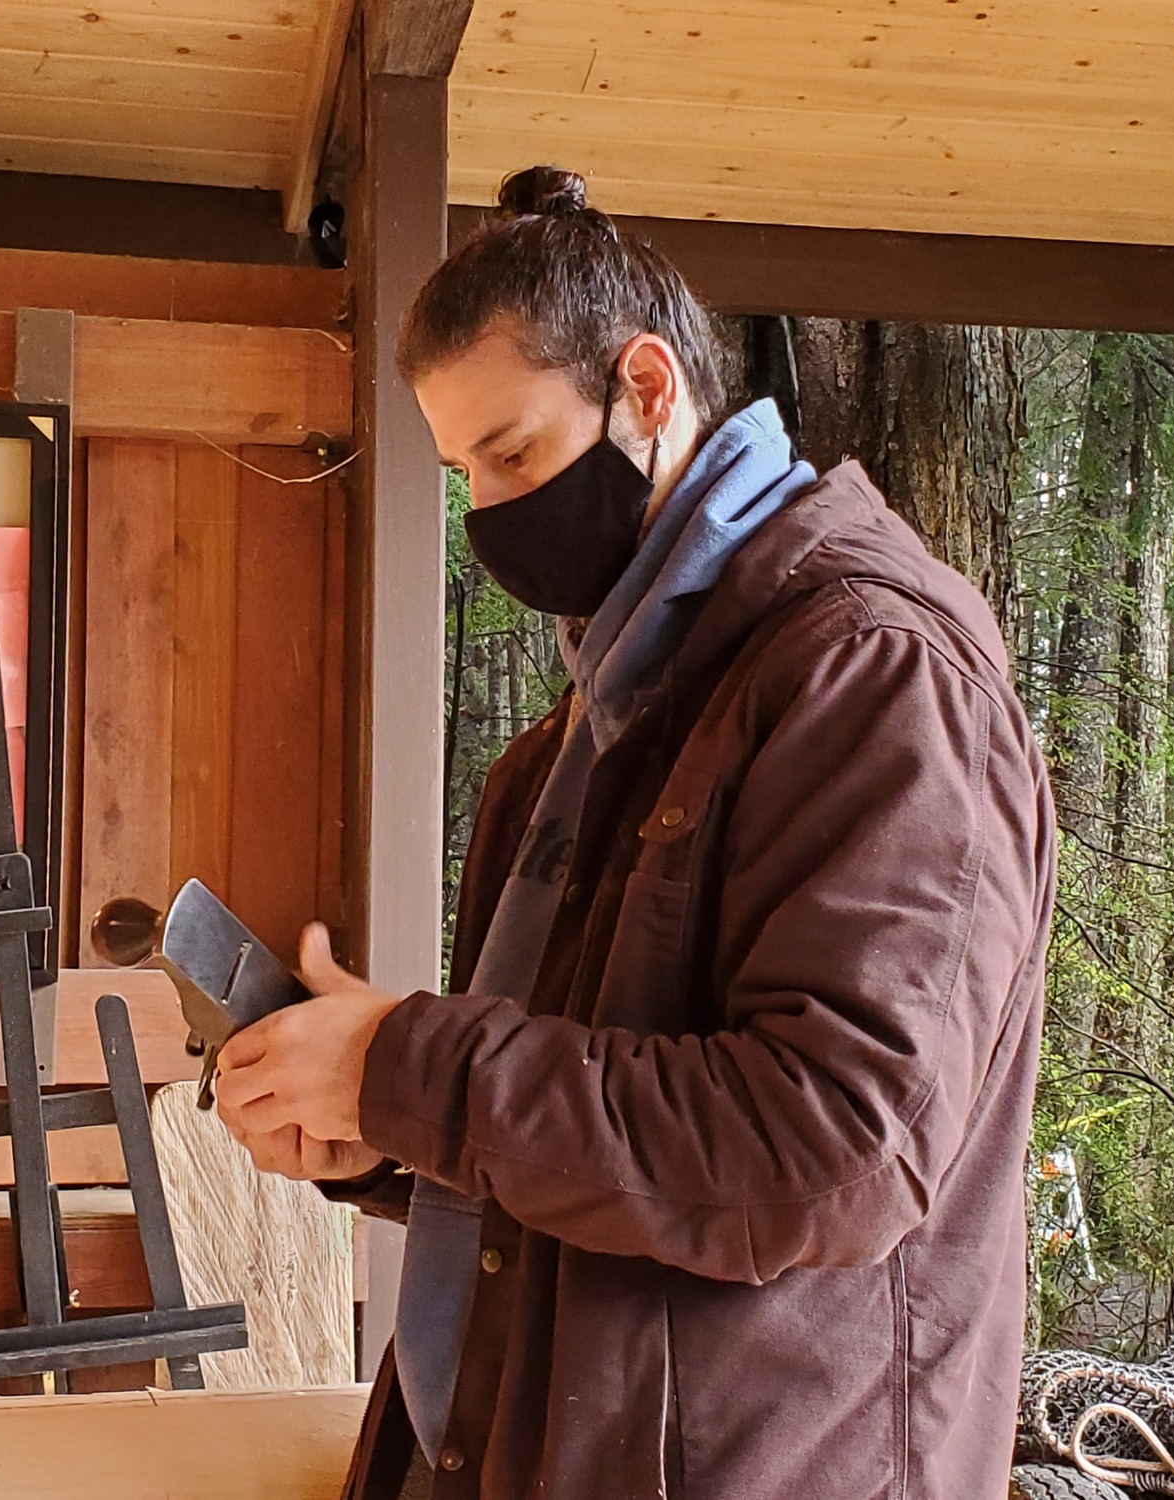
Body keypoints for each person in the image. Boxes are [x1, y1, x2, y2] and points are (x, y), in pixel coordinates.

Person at [211, 166, 1056, 1500]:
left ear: (649, 390)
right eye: (462, 473)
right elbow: (588, 1136)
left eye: (516, 454)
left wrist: (416, 1075)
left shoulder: (876, 675)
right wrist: (385, 1132)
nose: (491, 515)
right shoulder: (580, 736)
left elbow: (834, 1151)